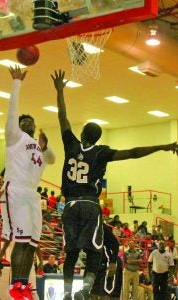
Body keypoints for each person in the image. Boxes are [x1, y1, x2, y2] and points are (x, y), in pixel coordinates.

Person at [51, 69, 178, 300]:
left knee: (70, 253)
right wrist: (162, 146)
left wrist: (60, 90)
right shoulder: (101, 152)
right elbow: (133, 153)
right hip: (89, 204)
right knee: (95, 251)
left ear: (81, 133)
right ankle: (86, 289)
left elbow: (62, 118)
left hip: (69, 205)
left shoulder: (71, 143)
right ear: (98, 138)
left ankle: (68, 294)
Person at [0, 66, 56, 300]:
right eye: (26, 121)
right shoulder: (14, 138)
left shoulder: (38, 145)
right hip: (16, 191)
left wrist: (46, 147)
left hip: (32, 196)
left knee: (32, 242)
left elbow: (52, 160)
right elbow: (12, 115)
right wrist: (16, 83)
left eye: (32, 121)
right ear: (20, 126)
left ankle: (23, 286)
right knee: (20, 241)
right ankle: (17, 285)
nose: (29, 123)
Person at [91, 222, 119, 300]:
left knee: (106, 289)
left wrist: (113, 262)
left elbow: (115, 243)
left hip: (107, 261)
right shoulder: (87, 226)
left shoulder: (102, 227)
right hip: (96, 262)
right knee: (94, 288)